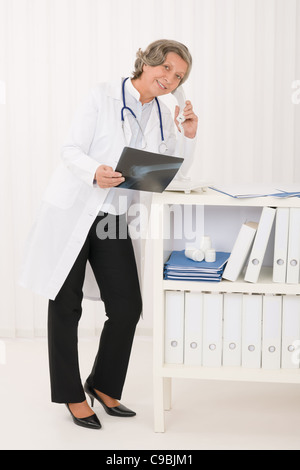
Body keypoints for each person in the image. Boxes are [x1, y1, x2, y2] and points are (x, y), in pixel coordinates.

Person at [19, 39, 198, 429]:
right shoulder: (101, 96)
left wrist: (187, 133)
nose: (170, 79)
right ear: (147, 63)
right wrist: (94, 172)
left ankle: (102, 384)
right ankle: (70, 394)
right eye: (166, 68)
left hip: (114, 218)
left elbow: (172, 175)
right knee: (66, 304)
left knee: (127, 307)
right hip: (74, 211)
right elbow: (69, 149)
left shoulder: (164, 116)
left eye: (179, 76)